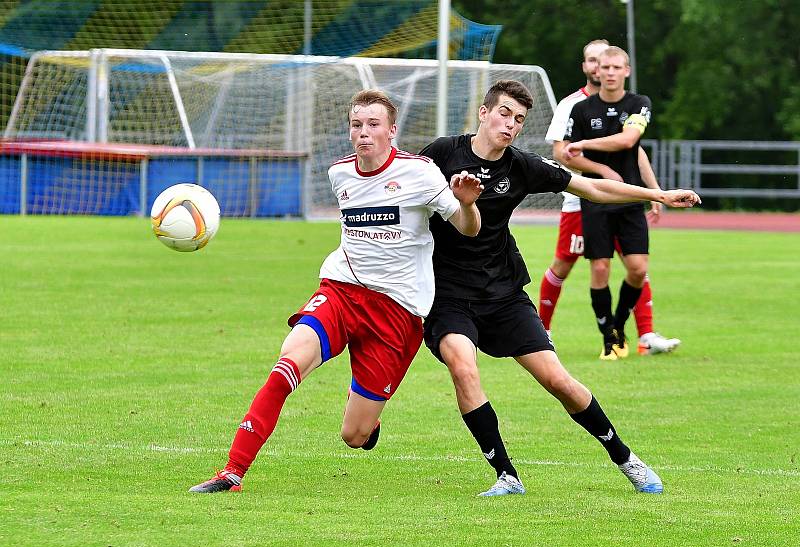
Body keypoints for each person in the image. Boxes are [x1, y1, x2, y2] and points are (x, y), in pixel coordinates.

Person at [189, 89, 484, 493]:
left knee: (354, 435)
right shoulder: (340, 173)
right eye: (357, 125)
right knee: (287, 364)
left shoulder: (421, 173)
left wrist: (467, 205)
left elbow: (470, 228)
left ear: (392, 131)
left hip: (398, 312)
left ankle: (368, 421)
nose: (364, 133)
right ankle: (233, 471)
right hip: (341, 292)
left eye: (373, 125)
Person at [419, 79, 699, 496]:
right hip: (447, 296)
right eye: (503, 114)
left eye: (519, 119)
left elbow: (593, 187)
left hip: (503, 293)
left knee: (558, 381)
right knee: (463, 366)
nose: (510, 125)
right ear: (483, 112)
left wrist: (656, 194)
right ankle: (506, 476)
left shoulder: (521, 165)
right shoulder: (442, 153)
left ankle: (626, 458)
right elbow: (399, 187)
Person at [540, 39, 680, 356]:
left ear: (622, 69)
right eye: (594, 61)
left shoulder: (631, 103)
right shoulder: (571, 105)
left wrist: (653, 189)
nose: (599, 67)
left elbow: (634, 147)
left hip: (626, 196)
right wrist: (600, 170)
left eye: (607, 62)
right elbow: (562, 153)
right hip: (582, 199)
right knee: (569, 263)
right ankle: (541, 331)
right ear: (588, 67)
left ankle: (645, 335)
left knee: (636, 264)